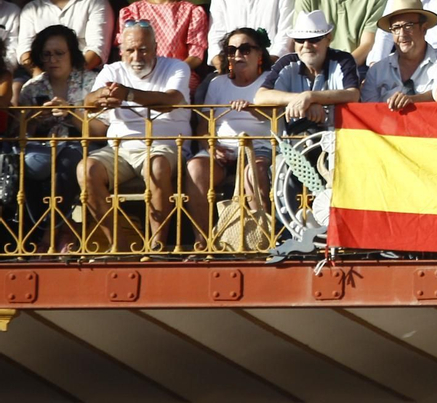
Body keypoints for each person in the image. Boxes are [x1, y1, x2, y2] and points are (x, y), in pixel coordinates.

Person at [79, 19, 190, 250]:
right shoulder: (112, 70)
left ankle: (157, 247)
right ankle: (118, 245)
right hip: (119, 148)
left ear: (156, 48)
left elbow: (169, 101)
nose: (136, 57)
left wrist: (128, 94)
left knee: (156, 166)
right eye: (130, 50)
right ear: (121, 51)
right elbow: (88, 103)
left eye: (143, 49)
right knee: (86, 169)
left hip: (165, 145)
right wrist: (101, 95)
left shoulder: (176, 67)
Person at [184, 26, 273, 230]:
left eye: (245, 49)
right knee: (195, 168)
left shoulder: (271, 80)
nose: (237, 55)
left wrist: (253, 110)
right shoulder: (217, 83)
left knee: (253, 171)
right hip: (223, 149)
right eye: (231, 50)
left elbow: (277, 116)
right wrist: (211, 146)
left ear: (259, 53)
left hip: (259, 147)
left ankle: (262, 237)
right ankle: (202, 240)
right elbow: (204, 124)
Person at [15, 26, 97, 219]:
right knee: (26, 166)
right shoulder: (32, 88)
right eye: (47, 54)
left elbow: (101, 130)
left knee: (67, 162)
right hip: (42, 147)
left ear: (72, 53)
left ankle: (52, 230)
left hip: (83, 144)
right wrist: (35, 120)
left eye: (59, 53)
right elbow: (19, 133)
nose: (53, 60)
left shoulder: (91, 82)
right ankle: (32, 229)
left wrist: (71, 114)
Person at [254, 10, 362, 128]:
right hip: (295, 138)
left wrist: (311, 97)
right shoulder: (287, 63)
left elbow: (353, 95)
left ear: (328, 39)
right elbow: (260, 97)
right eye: (300, 40)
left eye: (314, 39)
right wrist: (302, 99)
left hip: (337, 137)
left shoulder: (343, 60)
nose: (306, 45)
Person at [119, 0, 208, 93]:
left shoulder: (191, 11)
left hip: (176, 73)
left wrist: (171, 71)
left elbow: (196, 56)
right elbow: (124, 50)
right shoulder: (133, 11)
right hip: (140, 72)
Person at [360, 0, 437, 109]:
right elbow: (369, 112)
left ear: (424, 29)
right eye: (396, 28)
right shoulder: (377, 71)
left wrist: (413, 100)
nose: (402, 34)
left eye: (408, 26)